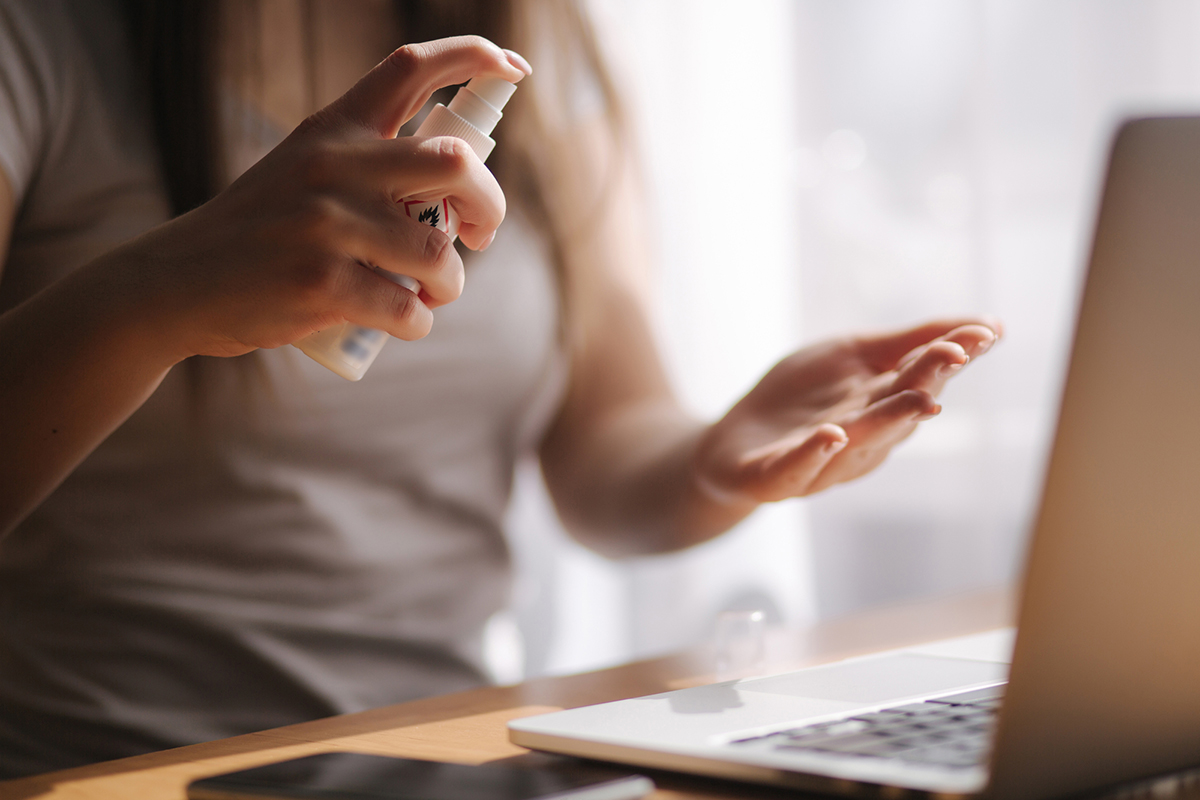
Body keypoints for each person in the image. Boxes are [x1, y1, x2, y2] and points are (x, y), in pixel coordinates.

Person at [0, 0, 1000, 778]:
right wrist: (153, 297)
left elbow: (607, 448)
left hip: (440, 761)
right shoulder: (41, 39)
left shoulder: (533, 48)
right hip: (103, 763)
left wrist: (718, 461)